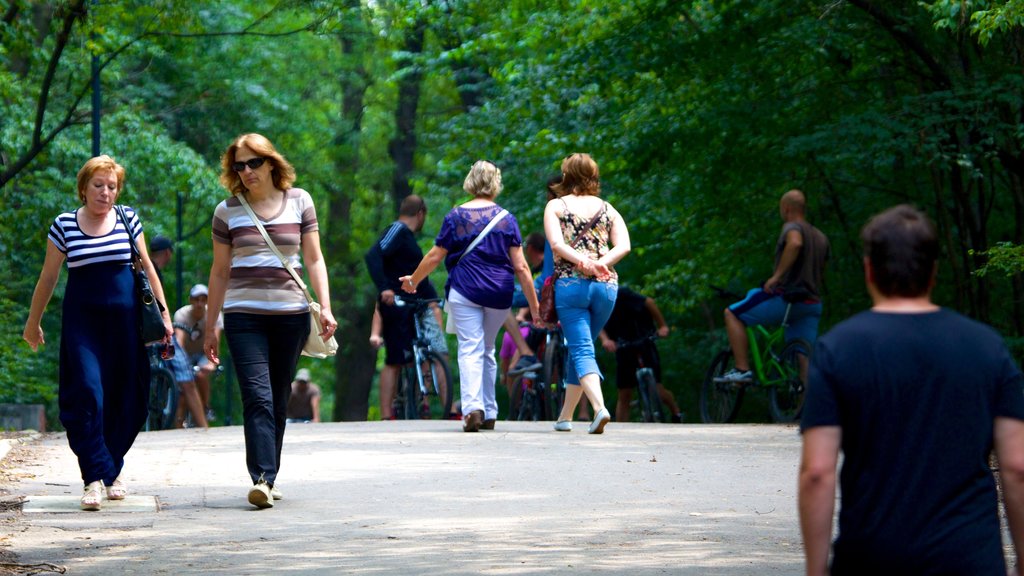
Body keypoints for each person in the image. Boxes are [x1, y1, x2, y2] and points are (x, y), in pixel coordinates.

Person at [798, 205, 1024, 575]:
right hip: (969, 558)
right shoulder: (988, 348)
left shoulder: (838, 349)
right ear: (933, 271)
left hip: (872, 556)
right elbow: (1016, 466)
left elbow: (818, 472)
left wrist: (815, 569)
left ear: (869, 270)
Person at [23, 155, 173, 510]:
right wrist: (33, 323)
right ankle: (94, 477)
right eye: (98, 185)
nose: (105, 193)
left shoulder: (128, 218)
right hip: (83, 325)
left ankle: (111, 470)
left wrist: (164, 316)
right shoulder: (64, 225)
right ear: (83, 187)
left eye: (112, 186)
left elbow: (147, 268)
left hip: (126, 326)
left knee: (129, 399)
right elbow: (49, 277)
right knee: (87, 393)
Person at [204, 133, 337, 509]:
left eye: (253, 163)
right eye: (239, 166)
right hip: (243, 317)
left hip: (290, 316)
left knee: (278, 396)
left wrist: (325, 306)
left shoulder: (300, 201)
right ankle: (262, 478)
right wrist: (213, 324)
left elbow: (314, 259)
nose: (246, 171)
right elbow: (219, 271)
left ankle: (270, 473)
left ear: (271, 163)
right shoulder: (226, 211)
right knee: (257, 396)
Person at [400, 160, 541, 432]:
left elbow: (435, 256)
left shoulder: (456, 217)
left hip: (464, 291)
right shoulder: (507, 219)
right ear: (495, 183)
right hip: (499, 294)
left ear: (470, 182)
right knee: (487, 348)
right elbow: (522, 267)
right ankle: (489, 411)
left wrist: (413, 280)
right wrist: (534, 306)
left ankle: (472, 408)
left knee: (470, 347)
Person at [545, 153, 630, 434]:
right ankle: (565, 415)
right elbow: (624, 246)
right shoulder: (608, 208)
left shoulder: (556, 206)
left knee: (581, 348)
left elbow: (556, 244)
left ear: (566, 175)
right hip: (606, 287)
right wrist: (600, 263)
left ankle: (599, 408)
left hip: (572, 286)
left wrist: (583, 263)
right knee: (583, 347)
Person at [719, 189, 829, 382]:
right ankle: (805, 409)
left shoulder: (791, 226)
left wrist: (777, 276)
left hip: (786, 300)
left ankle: (742, 369)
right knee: (803, 357)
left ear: (786, 208)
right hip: (811, 304)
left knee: (731, 313)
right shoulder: (821, 237)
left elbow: (795, 244)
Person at [365, 195, 446, 420]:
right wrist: (384, 288)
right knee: (394, 360)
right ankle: (385, 414)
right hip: (394, 303)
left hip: (412, 304)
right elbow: (373, 255)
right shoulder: (397, 230)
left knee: (414, 355)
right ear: (420, 214)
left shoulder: (407, 237)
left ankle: (418, 403)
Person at [597, 286, 682, 423]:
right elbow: (598, 322)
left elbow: (649, 302)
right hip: (623, 346)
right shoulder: (602, 303)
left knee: (659, 390)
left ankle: (676, 412)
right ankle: (620, 429)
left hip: (644, 342)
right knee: (625, 394)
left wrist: (662, 326)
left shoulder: (622, 294)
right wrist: (606, 340)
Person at [171, 283, 223, 428]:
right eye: (196, 299)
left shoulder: (215, 315)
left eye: (203, 299)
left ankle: (205, 407)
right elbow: (179, 342)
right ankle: (178, 425)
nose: (199, 303)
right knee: (182, 390)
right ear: (191, 300)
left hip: (204, 353)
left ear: (207, 301)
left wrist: (211, 363)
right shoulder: (182, 314)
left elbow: (215, 340)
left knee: (201, 375)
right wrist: (182, 364)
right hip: (185, 354)